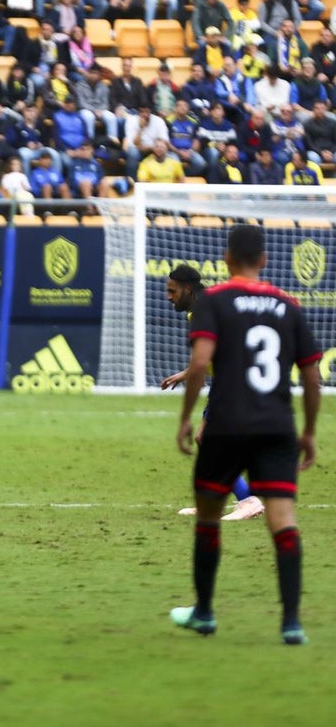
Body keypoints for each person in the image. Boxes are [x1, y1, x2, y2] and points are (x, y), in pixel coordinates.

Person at [171, 225, 321, 646]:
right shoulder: (287, 303)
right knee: (284, 523)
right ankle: (291, 623)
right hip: (276, 425)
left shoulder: (215, 300)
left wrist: (186, 417)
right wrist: (308, 430)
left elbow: (202, 363)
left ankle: (204, 613)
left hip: (227, 425)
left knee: (207, 519)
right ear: (266, 259)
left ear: (226, 259)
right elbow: (311, 374)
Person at [161, 265, 265, 521]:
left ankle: (248, 500)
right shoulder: (204, 307)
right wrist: (186, 373)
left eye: (172, 291)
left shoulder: (204, 310)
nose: (169, 296)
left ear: (187, 288)